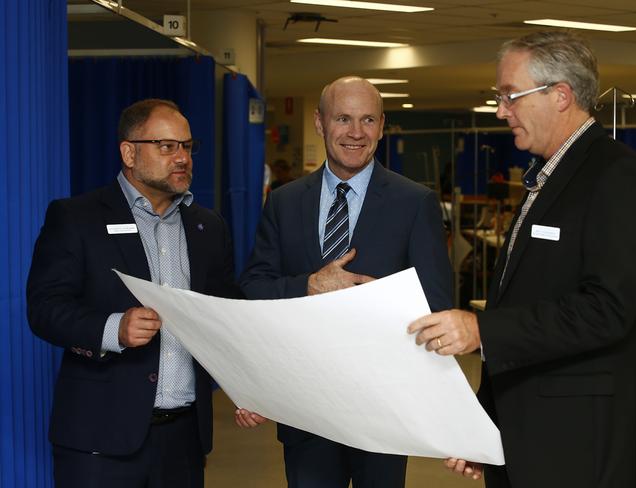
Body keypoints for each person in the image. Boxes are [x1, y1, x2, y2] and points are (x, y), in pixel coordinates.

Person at [408, 31, 636, 488]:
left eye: (509, 96)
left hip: (580, 444)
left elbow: (607, 310)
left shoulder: (617, 177)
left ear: (560, 95)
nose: (501, 111)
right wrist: (485, 421)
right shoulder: (549, 176)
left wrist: (481, 329)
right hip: (526, 436)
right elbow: (524, 302)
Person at [234, 75, 452, 488]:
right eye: (343, 119)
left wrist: (385, 304)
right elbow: (254, 288)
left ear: (383, 126)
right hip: (304, 407)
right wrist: (308, 285)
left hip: (383, 408)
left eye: (368, 120)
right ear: (319, 123)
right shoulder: (284, 201)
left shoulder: (415, 202)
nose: (356, 133)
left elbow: (437, 307)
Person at [27, 98, 238, 487]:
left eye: (187, 146)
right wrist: (113, 329)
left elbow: (225, 317)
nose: (182, 158)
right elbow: (44, 308)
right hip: (99, 438)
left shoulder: (209, 228)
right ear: (129, 152)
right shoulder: (77, 217)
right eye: (166, 146)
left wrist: (248, 387)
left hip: (184, 440)